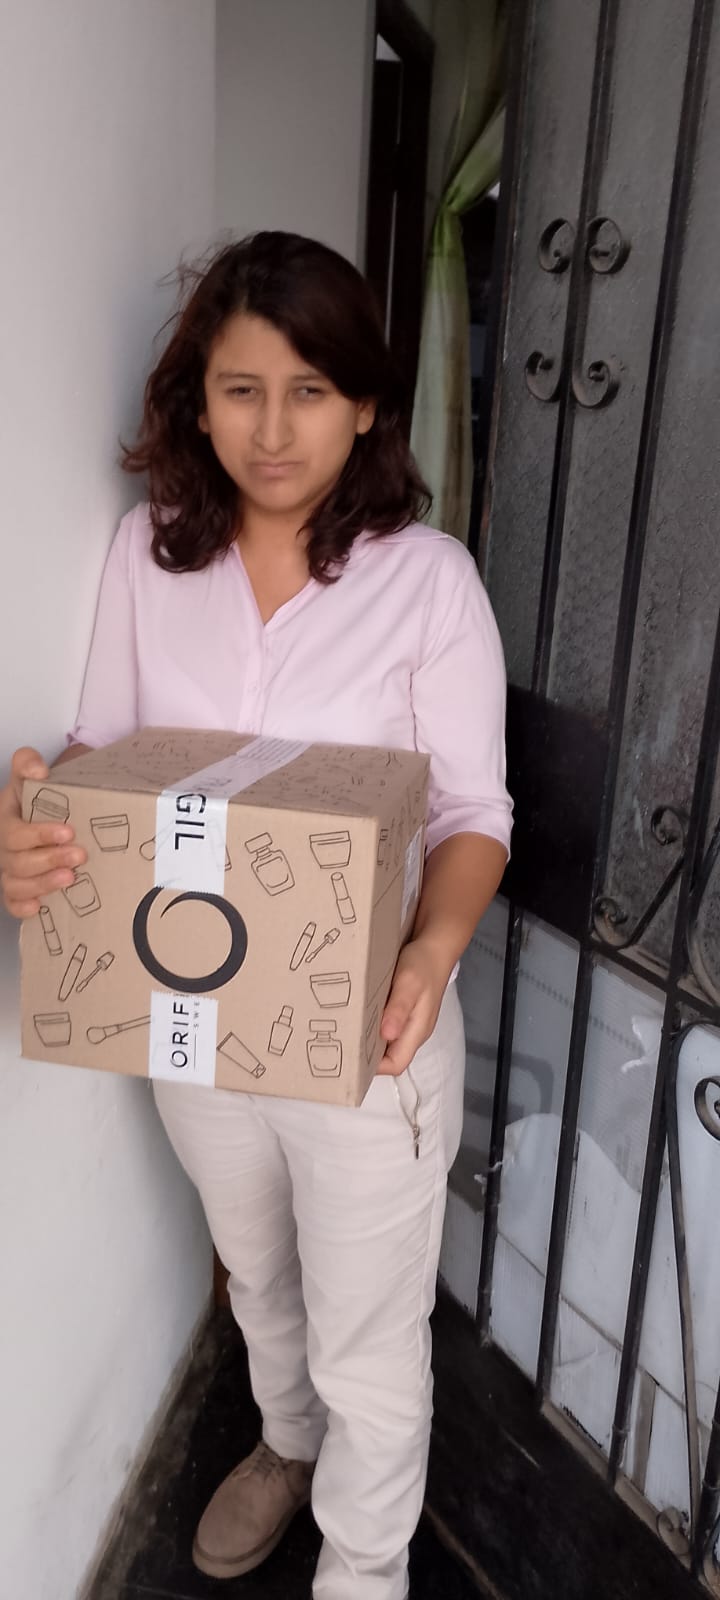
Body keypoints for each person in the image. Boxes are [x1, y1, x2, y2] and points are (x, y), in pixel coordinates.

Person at [0, 232, 512, 1600]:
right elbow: (103, 753)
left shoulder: (427, 581)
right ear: (198, 399)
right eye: (240, 390)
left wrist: (432, 952)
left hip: (372, 1036)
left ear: (366, 404)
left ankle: (364, 1569)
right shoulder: (147, 553)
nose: (272, 431)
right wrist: (38, 825)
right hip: (190, 1017)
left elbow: (476, 813)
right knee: (258, 1272)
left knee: (370, 1337)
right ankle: (287, 1445)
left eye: (308, 391)